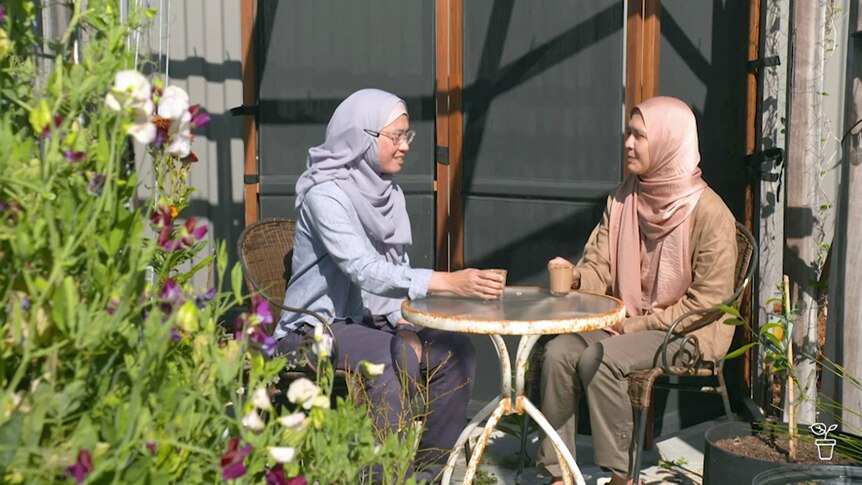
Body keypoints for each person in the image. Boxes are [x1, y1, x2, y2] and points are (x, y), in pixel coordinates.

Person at [273, 88, 504, 481]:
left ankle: (425, 476)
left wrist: (405, 322)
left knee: (456, 352)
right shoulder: (324, 195)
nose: (404, 147)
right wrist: (445, 281)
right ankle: (380, 477)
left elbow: (392, 271)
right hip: (314, 329)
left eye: (406, 136)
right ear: (362, 137)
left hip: (370, 323)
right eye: (395, 136)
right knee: (389, 359)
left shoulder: (386, 191)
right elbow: (363, 268)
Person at [537, 96, 737, 485]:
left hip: (688, 331)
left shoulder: (710, 213)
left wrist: (635, 326)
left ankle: (622, 475)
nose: (627, 143)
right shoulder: (623, 198)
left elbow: (708, 303)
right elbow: (599, 267)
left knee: (601, 356)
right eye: (628, 133)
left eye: (639, 136)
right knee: (559, 352)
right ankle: (558, 471)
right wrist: (576, 277)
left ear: (668, 142)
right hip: (624, 320)